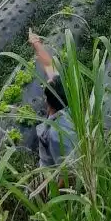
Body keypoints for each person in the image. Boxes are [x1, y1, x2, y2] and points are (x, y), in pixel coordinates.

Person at [28, 28, 77, 168]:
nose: (49, 79)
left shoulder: (58, 134)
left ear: (47, 99)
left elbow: (67, 171)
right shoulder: (66, 101)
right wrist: (35, 42)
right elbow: (49, 65)